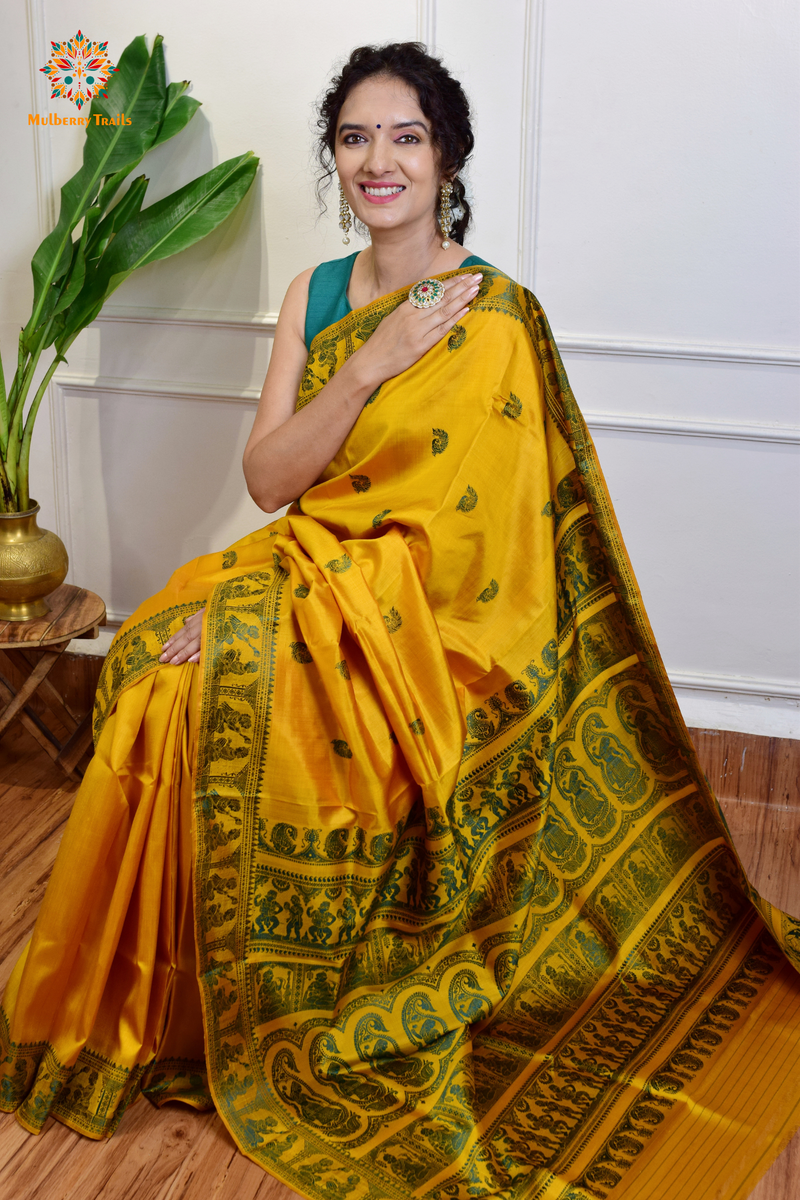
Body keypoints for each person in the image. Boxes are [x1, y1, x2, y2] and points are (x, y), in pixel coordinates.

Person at [2, 41, 800, 1200]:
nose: (379, 161)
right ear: (335, 158)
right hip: (307, 563)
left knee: (223, 687)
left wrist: (303, 622)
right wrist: (368, 364)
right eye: (356, 138)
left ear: (447, 159)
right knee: (154, 676)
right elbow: (273, 479)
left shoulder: (494, 315)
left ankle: (271, 1005)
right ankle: (171, 1013)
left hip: (421, 621)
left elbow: (488, 565)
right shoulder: (315, 299)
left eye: (405, 137)